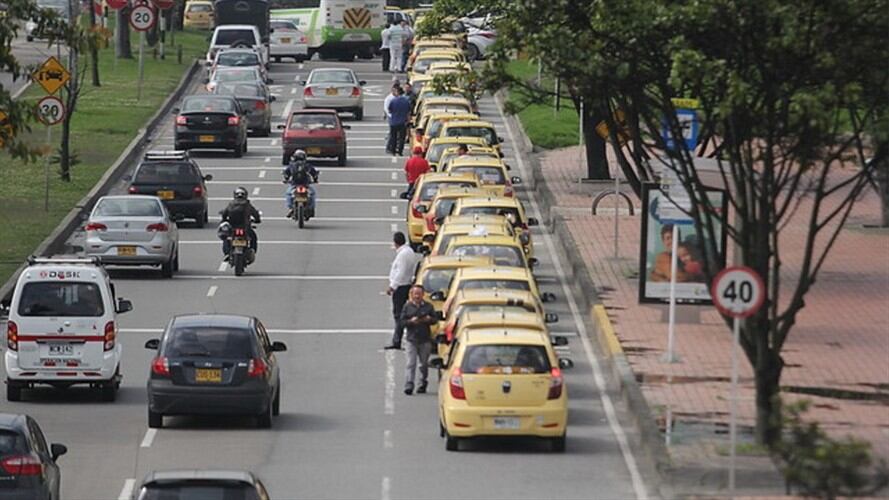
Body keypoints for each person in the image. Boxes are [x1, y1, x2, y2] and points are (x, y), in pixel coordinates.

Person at [384, 232, 420, 350]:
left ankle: (397, 340)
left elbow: (400, 272)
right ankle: (400, 339)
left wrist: (392, 286)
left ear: (396, 242)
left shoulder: (403, 254)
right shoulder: (408, 251)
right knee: (403, 313)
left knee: (398, 315)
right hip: (406, 285)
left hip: (401, 287)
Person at [399, 284, 436, 395]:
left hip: (425, 339)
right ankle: (409, 384)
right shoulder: (407, 307)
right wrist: (411, 321)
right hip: (411, 340)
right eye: (415, 294)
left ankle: (422, 382)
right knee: (411, 363)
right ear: (412, 295)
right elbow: (401, 322)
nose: (417, 296)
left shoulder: (429, 306)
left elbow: (435, 320)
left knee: (423, 364)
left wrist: (429, 319)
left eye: (419, 294)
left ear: (423, 295)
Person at [220, 187, 261, 261]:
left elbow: (224, 213)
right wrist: (257, 220)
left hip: (233, 227)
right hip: (245, 227)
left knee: (226, 237)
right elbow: (255, 214)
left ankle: (226, 253)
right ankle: (252, 251)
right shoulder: (247, 204)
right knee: (253, 238)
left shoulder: (231, 204)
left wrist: (224, 220)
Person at [282, 149, 319, 219]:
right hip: (305, 185)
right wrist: (315, 180)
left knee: (288, 194)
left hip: (294, 185)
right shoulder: (307, 165)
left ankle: (291, 208)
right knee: (312, 194)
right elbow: (314, 174)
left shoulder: (291, 165)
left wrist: (286, 180)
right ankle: (311, 208)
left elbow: (286, 174)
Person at [386, 86, 411, 156]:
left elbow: (389, 110)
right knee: (401, 138)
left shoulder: (393, 101)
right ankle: (400, 151)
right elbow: (408, 112)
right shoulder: (406, 101)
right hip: (402, 122)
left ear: (397, 92)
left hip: (393, 122)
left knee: (393, 137)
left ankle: (393, 150)